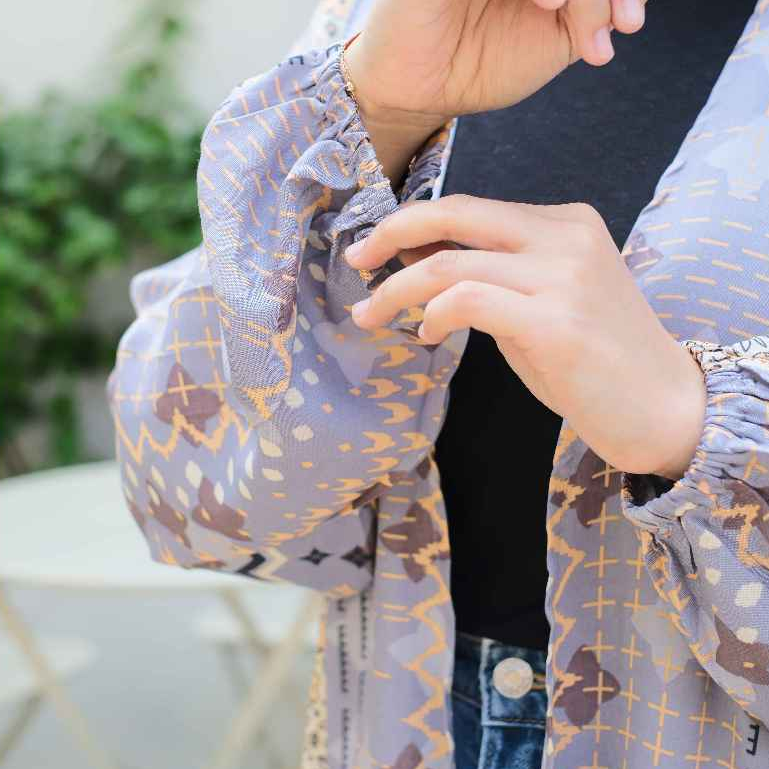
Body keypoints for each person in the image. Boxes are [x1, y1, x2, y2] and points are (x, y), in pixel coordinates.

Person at [108, 1, 769, 767]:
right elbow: (178, 486)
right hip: (409, 724)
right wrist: (382, 114)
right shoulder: (383, 15)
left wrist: (692, 422)